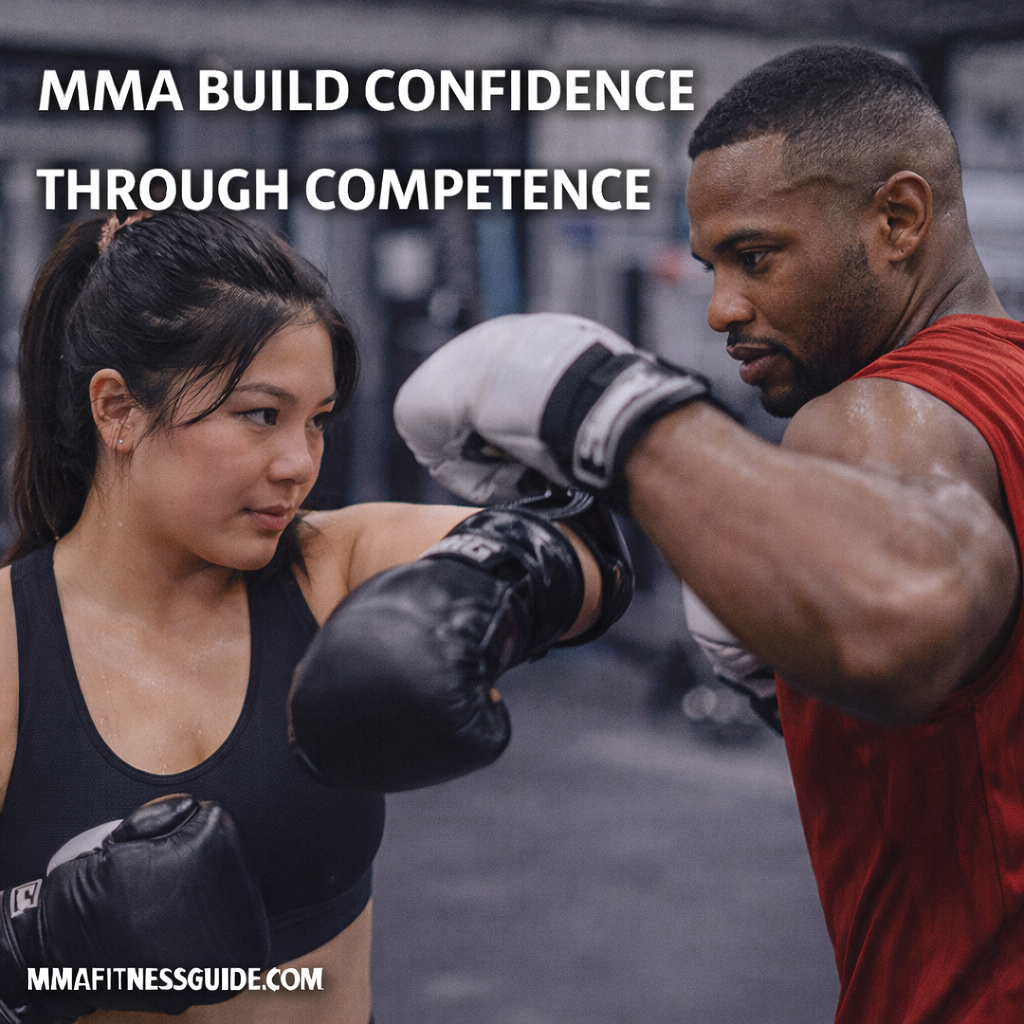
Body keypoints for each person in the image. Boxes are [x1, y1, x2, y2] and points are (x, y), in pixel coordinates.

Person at [393, 45, 1024, 1022]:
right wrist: (799, 696)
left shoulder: (878, 415)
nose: (723, 307)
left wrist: (617, 418)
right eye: (711, 266)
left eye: (757, 256)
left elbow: (899, 617)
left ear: (898, 219)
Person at [0, 209, 632, 1024]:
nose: (298, 464)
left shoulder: (330, 568)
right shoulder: (14, 652)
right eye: (260, 415)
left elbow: (582, 556)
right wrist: (31, 951)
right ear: (118, 410)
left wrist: (491, 588)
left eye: (317, 420)